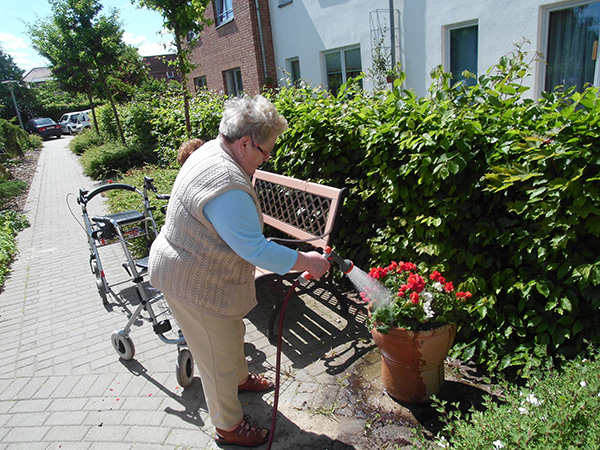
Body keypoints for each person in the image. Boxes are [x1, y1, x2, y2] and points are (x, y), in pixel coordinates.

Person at [148, 95, 330, 447]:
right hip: (192, 281)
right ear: (245, 142)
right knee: (213, 357)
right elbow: (255, 249)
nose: (267, 158)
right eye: (265, 150)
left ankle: (241, 378)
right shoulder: (226, 183)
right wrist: (308, 262)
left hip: (206, 274)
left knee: (231, 332)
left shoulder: (212, 150)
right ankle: (228, 426)